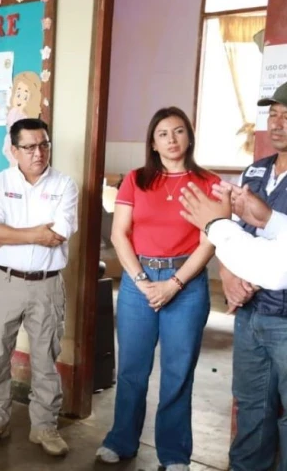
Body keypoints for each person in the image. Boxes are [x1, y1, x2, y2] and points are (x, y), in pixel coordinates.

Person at [96, 107, 220, 470]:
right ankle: (121, 440)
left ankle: (174, 453)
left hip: (188, 284)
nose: (172, 139)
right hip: (139, 283)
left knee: (178, 372)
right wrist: (142, 282)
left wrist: (174, 284)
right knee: (133, 368)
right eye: (163, 133)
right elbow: (119, 234)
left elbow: (210, 240)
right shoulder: (136, 180)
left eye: (179, 131)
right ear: (152, 141)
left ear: (190, 137)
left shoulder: (208, 182)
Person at [181, 80, 287, 470]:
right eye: (273, 114)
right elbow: (236, 232)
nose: (277, 124)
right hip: (250, 314)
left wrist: (222, 236)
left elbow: (279, 261)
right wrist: (226, 274)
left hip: (284, 314)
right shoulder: (256, 171)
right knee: (250, 406)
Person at [0, 118, 78, 456]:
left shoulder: (65, 184)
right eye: (30, 147)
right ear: (14, 150)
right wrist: (35, 234)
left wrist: (13, 233)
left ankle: (44, 426)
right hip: (4, 282)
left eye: (44, 144)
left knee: (46, 357)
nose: (38, 153)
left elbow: (59, 232)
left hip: (46, 285)